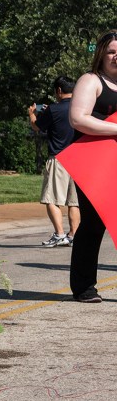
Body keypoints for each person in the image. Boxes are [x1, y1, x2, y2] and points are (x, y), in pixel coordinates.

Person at [67, 31, 117, 303]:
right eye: (111, 51)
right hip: (94, 162)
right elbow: (78, 119)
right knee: (94, 223)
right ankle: (84, 286)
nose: (116, 56)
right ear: (101, 54)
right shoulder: (91, 80)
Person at [28, 76, 79, 247]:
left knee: (51, 199)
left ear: (58, 90)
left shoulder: (53, 109)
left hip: (59, 158)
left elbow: (37, 126)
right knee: (74, 201)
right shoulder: (80, 107)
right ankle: (73, 235)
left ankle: (59, 234)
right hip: (78, 158)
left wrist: (31, 115)